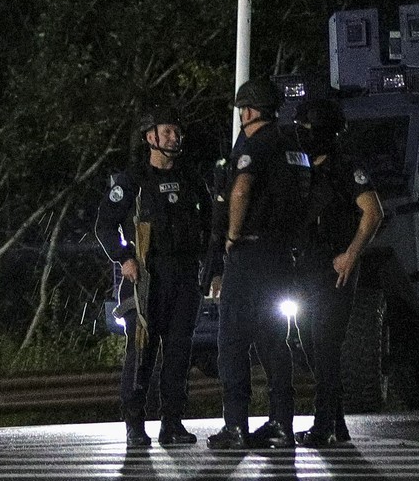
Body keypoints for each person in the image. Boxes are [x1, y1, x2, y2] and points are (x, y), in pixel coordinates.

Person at [95, 106, 210, 447]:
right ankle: (134, 425)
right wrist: (124, 258)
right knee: (141, 353)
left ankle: (172, 423)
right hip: (146, 276)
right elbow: (104, 225)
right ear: (151, 137)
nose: (175, 137)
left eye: (177, 131)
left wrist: (213, 267)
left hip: (185, 275)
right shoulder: (133, 180)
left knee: (178, 353)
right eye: (168, 131)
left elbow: (210, 224)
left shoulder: (191, 177)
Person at [207, 78, 303, 450]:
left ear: (248, 110)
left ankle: (236, 425)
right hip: (282, 256)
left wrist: (231, 236)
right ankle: (281, 422)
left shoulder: (253, 144)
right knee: (274, 342)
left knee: (232, 340)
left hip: (250, 255)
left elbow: (242, 188)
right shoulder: (293, 146)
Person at [293, 94, 383, 447]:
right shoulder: (300, 167)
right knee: (309, 344)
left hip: (334, 267)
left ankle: (324, 425)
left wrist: (351, 254)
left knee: (325, 344)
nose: (300, 133)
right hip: (305, 266)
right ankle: (337, 422)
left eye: (306, 127)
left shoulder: (346, 167)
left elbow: (373, 212)